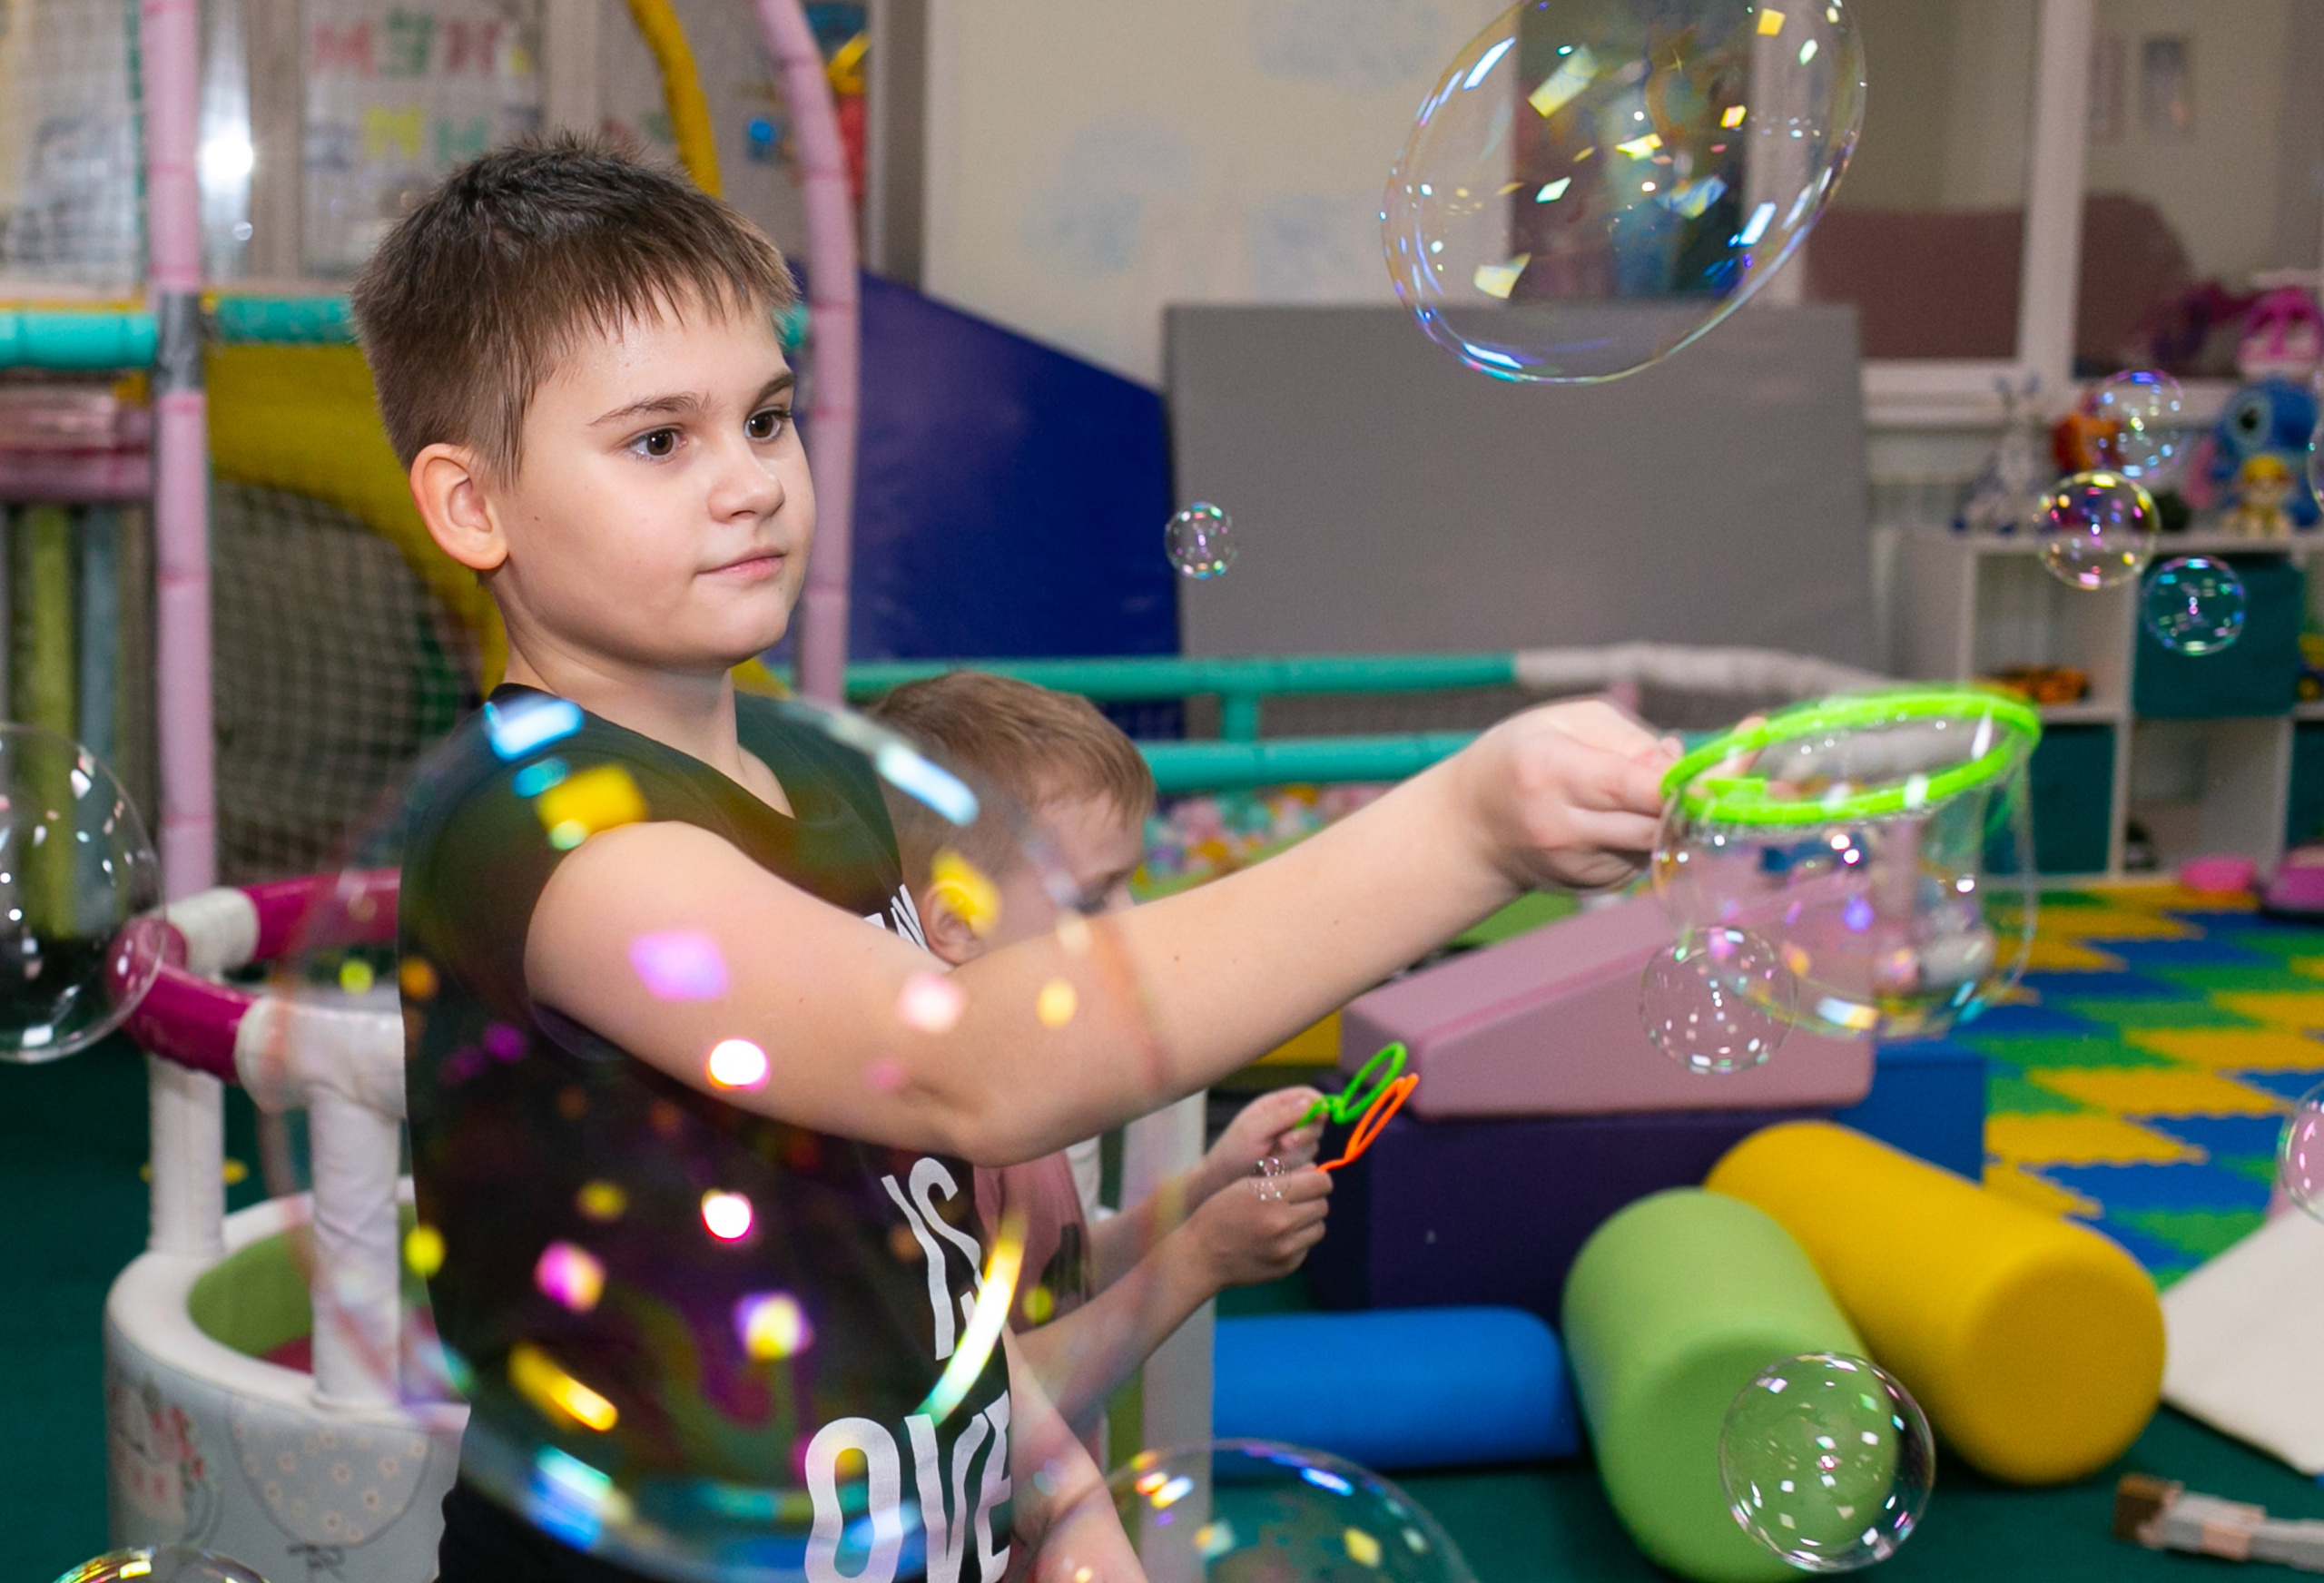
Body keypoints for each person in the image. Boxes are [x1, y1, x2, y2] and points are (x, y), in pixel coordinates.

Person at [362, 136, 1672, 1583]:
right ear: (471, 505)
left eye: (768, 417)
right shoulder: (546, 830)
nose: (748, 483)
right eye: (660, 441)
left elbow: (920, 1246)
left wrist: (1065, 1496)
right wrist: (1466, 830)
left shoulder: (824, 777)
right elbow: (957, 1067)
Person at [867, 671, 1332, 1445]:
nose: (1136, 921)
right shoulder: (906, 1144)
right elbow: (979, 1407)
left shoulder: (1054, 1092)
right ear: (957, 923)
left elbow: (1061, 1277)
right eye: (1093, 898)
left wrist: (1202, 1192)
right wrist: (1198, 1261)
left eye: (1131, 886)